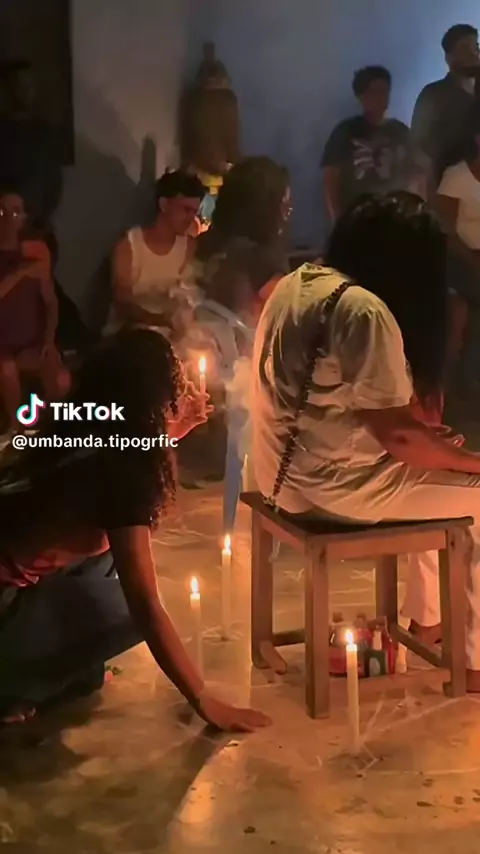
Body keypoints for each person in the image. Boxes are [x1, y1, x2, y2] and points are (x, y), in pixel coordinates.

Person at [253, 191, 480, 691]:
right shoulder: (365, 311)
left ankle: (428, 619)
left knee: (438, 470)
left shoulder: (295, 283)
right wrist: (470, 461)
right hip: (334, 492)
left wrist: (436, 449)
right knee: (473, 492)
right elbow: (400, 436)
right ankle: (475, 660)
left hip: (278, 478)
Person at [0, 327, 271, 732]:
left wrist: (168, 431)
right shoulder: (122, 474)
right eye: (174, 377)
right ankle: (14, 681)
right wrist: (204, 699)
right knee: (126, 608)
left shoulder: (88, 431)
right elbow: (145, 605)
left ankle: (43, 668)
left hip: (18, 586)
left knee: (108, 569)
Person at [193, 157, 291, 326]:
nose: (287, 212)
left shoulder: (199, 246)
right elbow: (283, 315)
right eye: (284, 203)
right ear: (266, 207)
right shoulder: (264, 260)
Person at [0, 189, 69, 429]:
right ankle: (15, 429)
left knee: (61, 379)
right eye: (1, 212)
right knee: (7, 370)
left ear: (23, 218)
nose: (8, 218)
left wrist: (48, 341)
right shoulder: (25, 266)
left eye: (15, 212)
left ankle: (52, 429)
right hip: (2, 348)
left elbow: (51, 303)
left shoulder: (36, 255)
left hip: (31, 343)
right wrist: (20, 274)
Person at [107, 171, 206, 334]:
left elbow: (190, 292)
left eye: (194, 212)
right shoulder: (130, 246)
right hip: (129, 334)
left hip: (169, 333)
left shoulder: (188, 246)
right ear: (164, 205)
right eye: (185, 210)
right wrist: (159, 320)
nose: (190, 218)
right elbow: (123, 304)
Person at [321, 66, 410, 222]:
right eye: (374, 91)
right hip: (355, 218)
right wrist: (338, 221)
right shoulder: (346, 131)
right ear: (361, 96)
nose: (381, 96)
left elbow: (414, 175)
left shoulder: (401, 131)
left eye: (384, 91)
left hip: (394, 218)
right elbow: (330, 178)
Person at [436, 110, 480, 397]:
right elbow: (447, 230)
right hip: (461, 256)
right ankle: (462, 379)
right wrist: (473, 258)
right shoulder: (456, 176)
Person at [410, 24, 480, 198]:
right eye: (465, 48)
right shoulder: (433, 96)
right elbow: (418, 152)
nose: (474, 54)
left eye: (476, 46)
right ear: (449, 58)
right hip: (449, 192)